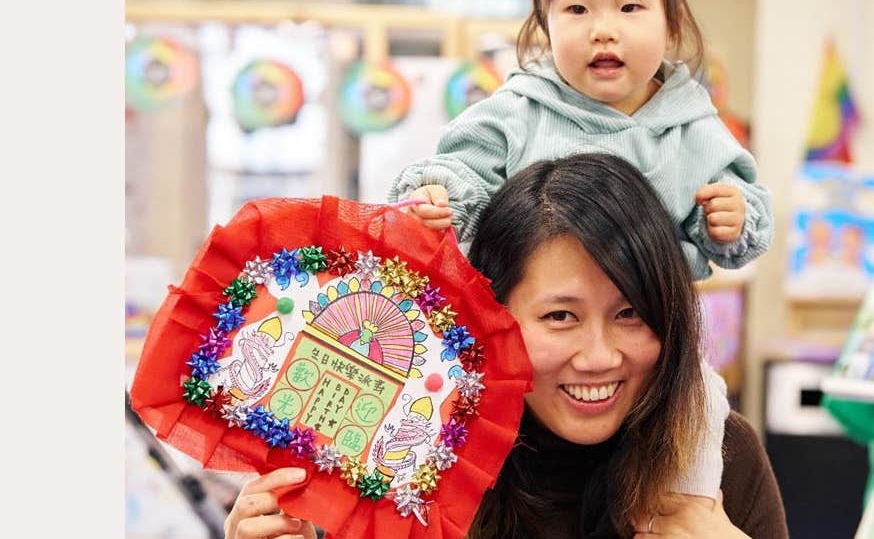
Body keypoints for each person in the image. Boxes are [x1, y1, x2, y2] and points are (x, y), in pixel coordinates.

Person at [223, 154, 786, 539]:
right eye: (560, 316)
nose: (598, 356)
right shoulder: (412, 453)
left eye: (630, 314)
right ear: (494, 318)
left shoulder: (714, 456)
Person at [388, 0, 773, 283]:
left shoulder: (693, 128)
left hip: (650, 330)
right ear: (545, 23)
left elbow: (734, 207)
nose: (603, 30)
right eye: (577, 8)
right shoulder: (518, 111)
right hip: (533, 333)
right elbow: (463, 171)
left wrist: (728, 219)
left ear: (671, 24)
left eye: (629, 6)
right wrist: (440, 199)